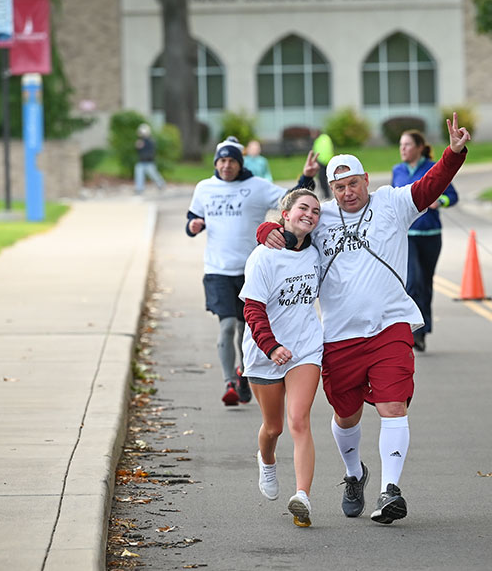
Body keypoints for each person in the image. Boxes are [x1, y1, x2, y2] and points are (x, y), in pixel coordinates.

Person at [257, 112, 471, 524]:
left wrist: (454, 154)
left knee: (393, 405)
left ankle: (390, 491)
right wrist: (263, 233)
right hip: (339, 335)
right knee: (346, 415)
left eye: (353, 184)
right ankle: (354, 474)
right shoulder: (321, 218)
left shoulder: (393, 202)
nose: (347, 193)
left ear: (366, 180)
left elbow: (431, 186)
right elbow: (282, 226)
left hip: (390, 325)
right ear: (331, 190)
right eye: (338, 187)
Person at [186, 136, 316, 407]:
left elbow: (290, 202)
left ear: (240, 163)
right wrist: (194, 226)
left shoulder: (255, 186)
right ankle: (229, 383)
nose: (226, 165)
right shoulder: (204, 188)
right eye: (221, 160)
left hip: (251, 270)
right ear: (215, 163)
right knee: (226, 325)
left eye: (231, 160)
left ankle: (246, 374)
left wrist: (306, 177)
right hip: (217, 270)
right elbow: (192, 219)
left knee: (248, 327)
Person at [240, 189, 323, 527]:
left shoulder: (317, 253)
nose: (311, 214)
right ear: (284, 214)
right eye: (303, 208)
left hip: (305, 347)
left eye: (316, 211)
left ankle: (302, 496)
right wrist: (271, 346)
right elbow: (252, 308)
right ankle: (267, 461)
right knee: (273, 428)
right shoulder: (263, 256)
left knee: (298, 420)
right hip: (265, 352)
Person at [392, 130, 459, 352]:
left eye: (408, 144)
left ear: (420, 147)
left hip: (430, 235)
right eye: (401, 144)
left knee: (426, 284)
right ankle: (413, 332)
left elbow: (453, 196)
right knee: (413, 282)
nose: (403, 148)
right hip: (407, 237)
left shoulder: (432, 167)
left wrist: (440, 201)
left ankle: (423, 331)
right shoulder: (397, 171)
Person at [134, 124, 166, 194]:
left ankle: (161, 184)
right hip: (141, 161)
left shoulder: (150, 141)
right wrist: (138, 147)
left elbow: (151, 151)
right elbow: (138, 150)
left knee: (154, 174)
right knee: (139, 174)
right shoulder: (140, 141)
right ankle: (139, 188)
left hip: (149, 161)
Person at [311, 131, 334, 199]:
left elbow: (316, 151)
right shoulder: (326, 138)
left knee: (322, 179)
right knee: (329, 178)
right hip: (328, 160)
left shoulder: (318, 140)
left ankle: (326, 194)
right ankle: (328, 194)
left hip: (321, 161)